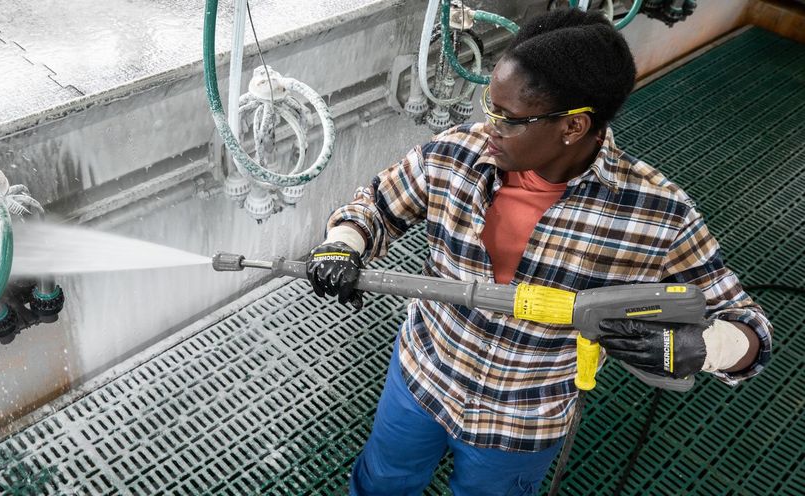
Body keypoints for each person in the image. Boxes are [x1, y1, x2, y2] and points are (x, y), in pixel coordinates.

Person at [305, 8, 773, 496]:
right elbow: (376, 206)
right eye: (490, 108)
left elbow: (749, 327)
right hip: (422, 378)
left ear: (573, 126)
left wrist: (708, 347)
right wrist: (344, 243)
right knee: (383, 481)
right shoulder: (453, 156)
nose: (488, 127)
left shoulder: (659, 215)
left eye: (507, 119)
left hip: (523, 424)